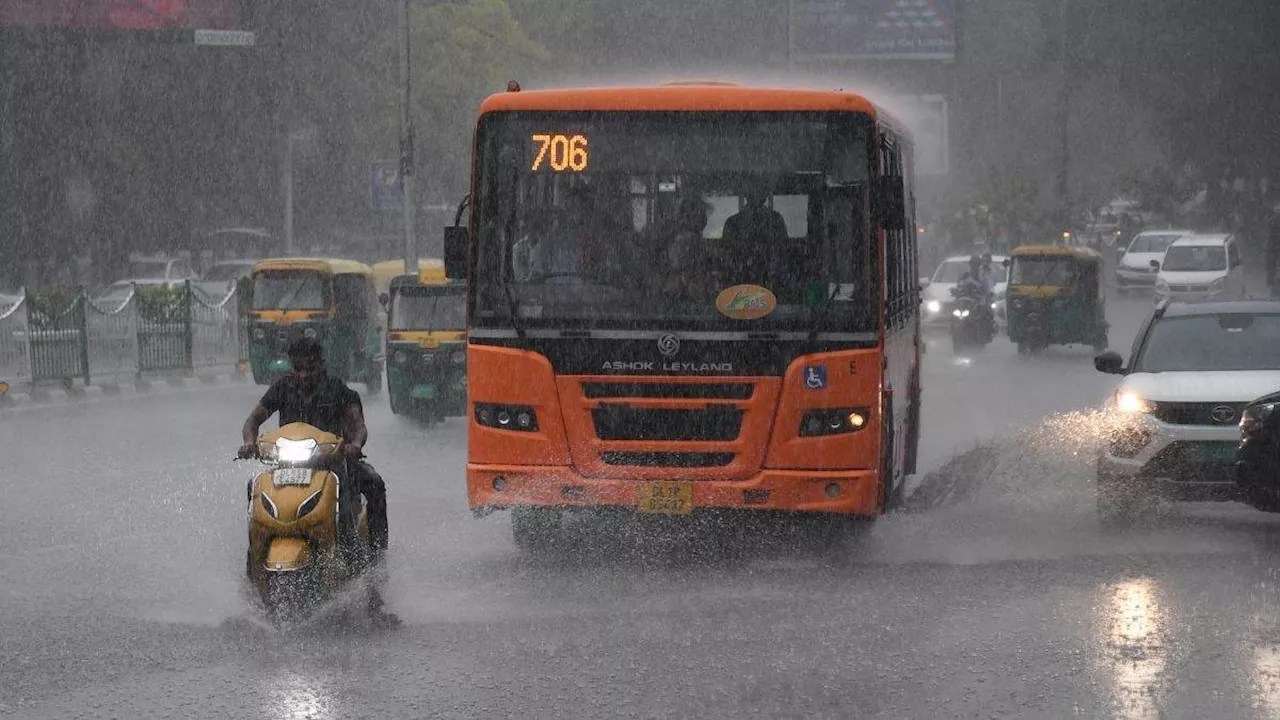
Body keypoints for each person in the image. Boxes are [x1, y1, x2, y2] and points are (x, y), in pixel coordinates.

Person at [237, 338, 398, 623]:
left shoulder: (339, 391)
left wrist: (354, 445)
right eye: (298, 369)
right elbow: (252, 422)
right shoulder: (282, 389)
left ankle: (372, 584)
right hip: (286, 466)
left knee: (374, 484)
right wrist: (250, 443)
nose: (303, 375)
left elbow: (358, 427)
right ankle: (254, 566)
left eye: (309, 369)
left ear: (320, 367)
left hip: (333, 465)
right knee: (254, 489)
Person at [721, 181, 788, 285]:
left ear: (766, 193)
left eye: (760, 189)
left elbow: (782, 255)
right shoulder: (732, 223)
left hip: (771, 283)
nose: (755, 193)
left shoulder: (776, 221)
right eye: (752, 189)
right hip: (739, 284)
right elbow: (727, 259)